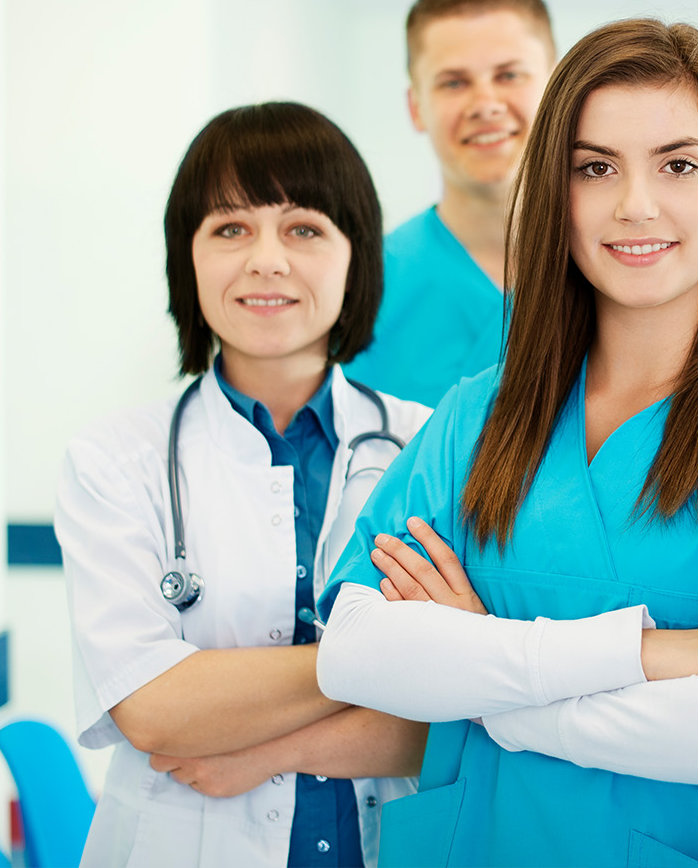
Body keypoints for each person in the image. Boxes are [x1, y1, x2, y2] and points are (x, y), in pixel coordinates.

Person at [316, 19, 698, 868]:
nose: (635, 203)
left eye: (679, 164)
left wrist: (489, 686)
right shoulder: (484, 413)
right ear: (558, 194)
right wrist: (639, 654)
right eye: (595, 168)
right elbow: (357, 651)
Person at [54, 102, 433, 867]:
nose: (266, 259)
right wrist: (386, 664)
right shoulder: (114, 460)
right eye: (230, 229)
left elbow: (467, 710)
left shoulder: (430, 446)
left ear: (355, 255)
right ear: (185, 259)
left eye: (304, 228)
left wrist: (256, 746)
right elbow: (153, 709)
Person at [344, 0, 556, 406]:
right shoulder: (361, 288)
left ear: (557, 86)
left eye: (509, 75)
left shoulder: (619, 267)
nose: (485, 105)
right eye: (454, 83)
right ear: (416, 106)